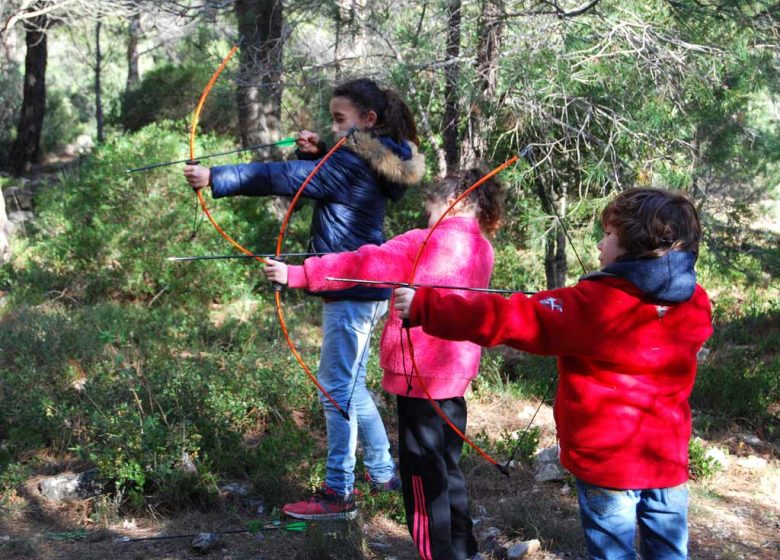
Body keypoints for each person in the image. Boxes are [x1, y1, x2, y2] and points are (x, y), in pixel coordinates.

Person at [394, 187, 713, 560]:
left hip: (608, 469)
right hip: (667, 461)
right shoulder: (696, 300)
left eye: (609, 234)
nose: (599, 242)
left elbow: (511, 318)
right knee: (670, 553)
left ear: (636, 244)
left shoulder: (595, 304)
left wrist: (427, 306)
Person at [184, 78, 425, 521]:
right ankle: (382, 471)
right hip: (366, 287)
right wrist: (316, 153)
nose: (333, 128)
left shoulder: (351, 162)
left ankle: (339, 493)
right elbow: (328, 182)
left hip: (350, 290)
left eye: (340, 119)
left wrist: (216, 176)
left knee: (336, 391)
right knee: (352, 387)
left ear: (368, 120)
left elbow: (286, 179)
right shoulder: (374, 158)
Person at [264, 168, 504, 560]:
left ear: (450, 202)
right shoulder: (484, 248)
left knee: (423, 480)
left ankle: (438, 555)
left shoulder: (422, 242)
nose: (427, 216)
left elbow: (364, 264)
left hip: (418, 377)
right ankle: (464, 551)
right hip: (456, 378)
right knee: (447, 469)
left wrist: (298, 274)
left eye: (430, 207)